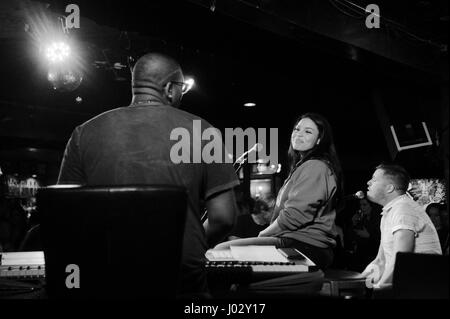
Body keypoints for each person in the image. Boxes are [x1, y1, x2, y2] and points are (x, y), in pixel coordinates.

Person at [57, 52, 239, 297]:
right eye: (181, 89)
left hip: (108, 273)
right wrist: (190, 244)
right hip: (179, 275)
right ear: (170, 89)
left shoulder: (84, 133)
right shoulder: (203, 131)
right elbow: (224, 217)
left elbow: (66, 216)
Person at [215, 113, 344, 269]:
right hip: (296, 243)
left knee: (223, 251)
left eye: (308, 131)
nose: (298, 134)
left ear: (319, 140)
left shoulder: (315, 166)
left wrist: (263, 235)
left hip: (304, 247)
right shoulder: (304, 166)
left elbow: (294, 216)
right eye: (297, 129)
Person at [361, 164, 442, 289]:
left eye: (374, 179)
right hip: (409, 286)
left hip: (423, 289)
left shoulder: (403, 209)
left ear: (389, 188)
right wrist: (359, 282)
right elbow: (381, 261)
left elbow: (401, 261)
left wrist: (379, 289)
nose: (368, 182)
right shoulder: (389, 212)